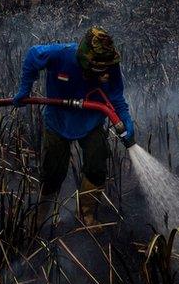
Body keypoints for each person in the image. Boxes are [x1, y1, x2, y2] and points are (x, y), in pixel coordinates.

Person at [13, 26, 135, 230]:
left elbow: (115, 96)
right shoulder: (61, 54)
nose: (103, 72)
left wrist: (125, 120)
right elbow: (33, 54)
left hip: (91, 121)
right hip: (58, 120)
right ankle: (42, 215)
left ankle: (85, 214)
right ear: (85, 59)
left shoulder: (109, 64)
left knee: (96, 166)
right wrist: (25, 88)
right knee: (52, 172)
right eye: (98, 69)